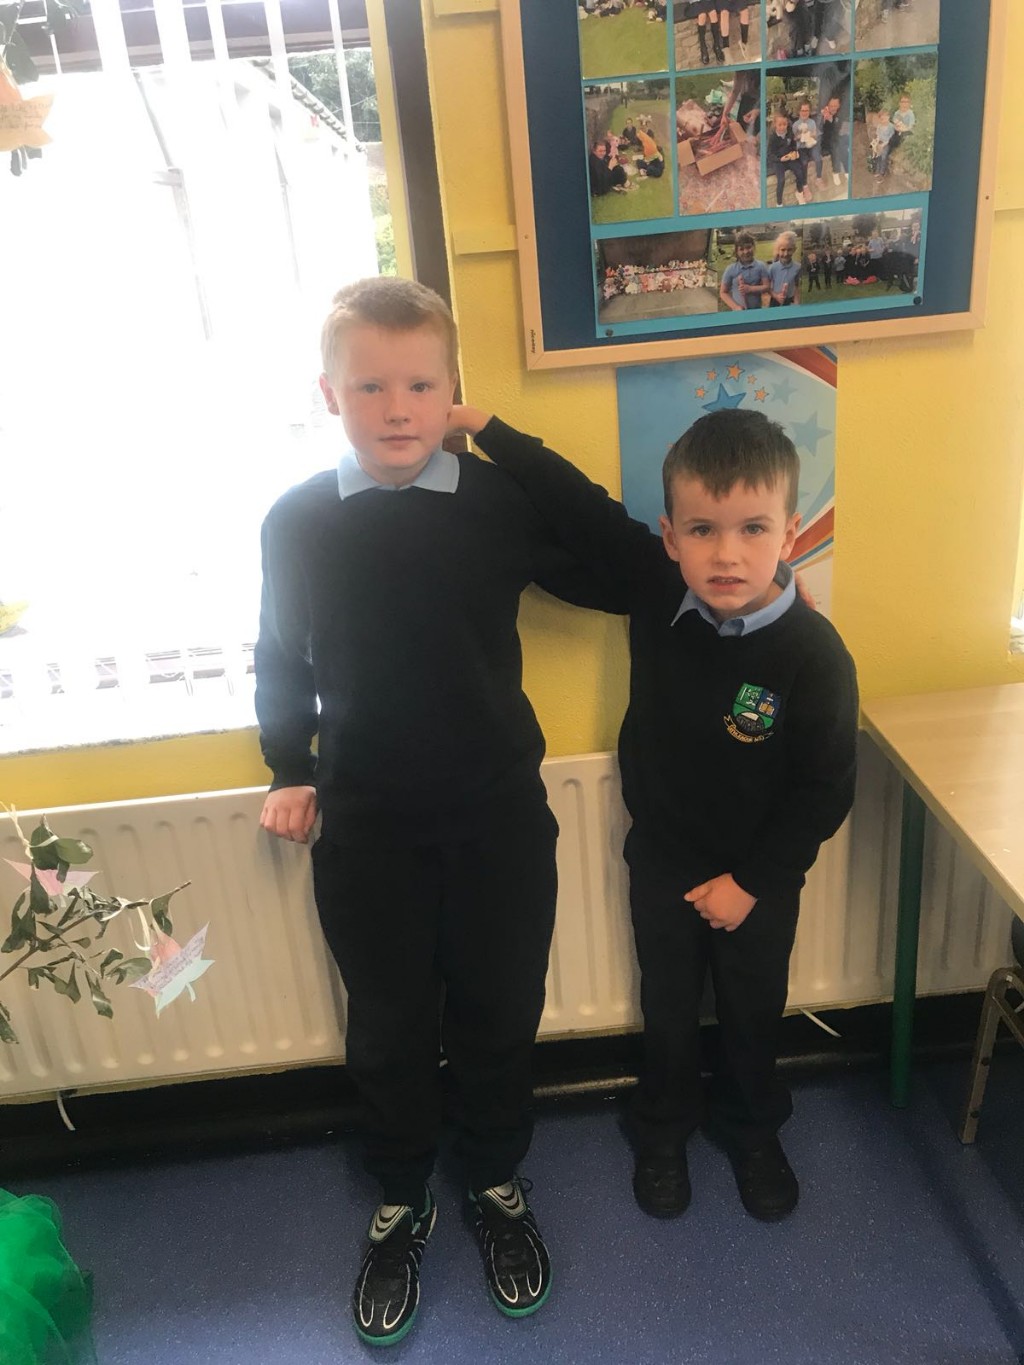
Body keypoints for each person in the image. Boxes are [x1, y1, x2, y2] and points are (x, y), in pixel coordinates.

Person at [255, 277, 621, 1348]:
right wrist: (286, 765)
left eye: (421, 385)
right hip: (368, 828)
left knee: (500, 1012)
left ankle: (496, 1181)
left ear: (452, 389)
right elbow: (278, 650)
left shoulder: (494, 503)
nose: (397, 409)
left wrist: (502, 435)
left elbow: (623, 565)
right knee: (390, 1025)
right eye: (370, 386)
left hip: (498, 821)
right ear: (330, 393)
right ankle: (402, 1192)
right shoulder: (298, 520)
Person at [449, 405, 858, 1226]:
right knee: (667, 1009)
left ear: (790, 533)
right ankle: (662, 1130)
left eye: (752, 528)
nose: (727, 553)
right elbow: (579, 507)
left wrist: (751, 881)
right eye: (703, 529)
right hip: (664, 861)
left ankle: (752, 1130)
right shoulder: (656, 587)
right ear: (671, 537)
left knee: (751, 1010)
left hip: (759, 877)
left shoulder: (814, 652)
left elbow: (826, 787)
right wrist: (487, 427)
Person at [719, 230, 771, 311]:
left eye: (748, 247)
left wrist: (750, 289)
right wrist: (735, 307)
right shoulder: (730, 269)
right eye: (741, 249)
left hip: (756, 310)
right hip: (739, 313)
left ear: (754, 246)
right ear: (736, 251)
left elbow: (767, 287)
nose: (746, 252)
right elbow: (723, 292)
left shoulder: (761, 266)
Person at [767, 110, 808, 206]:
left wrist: (794, 152)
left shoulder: (789, 133)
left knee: (799, 172)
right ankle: (779, 203)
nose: (782, 127)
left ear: (787, 124)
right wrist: (780, 159)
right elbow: (770, 154)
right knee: (781, 180)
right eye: (780, 125)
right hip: (778, 161)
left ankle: (799, 192)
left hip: (789, 159)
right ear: (775, 124)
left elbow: (793, 145)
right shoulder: (773, 138)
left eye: (784, 124)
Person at [818, 93, 848, 186]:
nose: (833, 108)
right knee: (836, 146)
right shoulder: (823, 114)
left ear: (839, 106)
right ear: (827, 105)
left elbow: (839, 130)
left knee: (842, 146)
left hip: (836, 139)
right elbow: (819, 130)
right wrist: (823, 118)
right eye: (831, 106)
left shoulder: (840, 115)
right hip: (825, 141)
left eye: (835, 105)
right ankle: (836, 171)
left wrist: (831, 120)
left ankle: (847, 171)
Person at [768, 229, 802, 305]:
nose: (786, 254)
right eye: (783, 250)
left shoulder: (798, 267)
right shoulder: (772, 268)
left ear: (794, 249)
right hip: (775, 301)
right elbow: (767, 288)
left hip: (789, 301)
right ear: (778, 250)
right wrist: (776, 296)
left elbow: (796, 286)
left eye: (789, 250)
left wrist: (796, 302)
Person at [792, 99, 822, 184]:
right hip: (801, 147)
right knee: (804, 162)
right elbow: (794, 139)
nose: (804, 113)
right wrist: (799, 136)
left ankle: (819, 178)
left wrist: (813, 135)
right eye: (802, 110)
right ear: (799, 111)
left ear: (810, 111)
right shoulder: (796, 125)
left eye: (807, 110)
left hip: (811, 145)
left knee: (818, 158)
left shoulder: (812, 122)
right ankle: (804, 184)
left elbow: (815, 135)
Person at [691, 0, 724, 65]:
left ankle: (716, 45)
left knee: (713, 14)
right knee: (702, 15)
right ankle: (703, 47)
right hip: (695, 2)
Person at [871, 107, 896, 180]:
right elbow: (878, 136)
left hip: (887, 143)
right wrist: (876, 142)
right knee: (877, 155)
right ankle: (877, 170)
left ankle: (882, 172)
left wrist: (883, 145)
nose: (883, 121)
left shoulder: (891, 126)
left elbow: (890, 138)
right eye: (881, 119)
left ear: (888, 117)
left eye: (884, 118)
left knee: (883, 156)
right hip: (880, 142)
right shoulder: (879, 126)